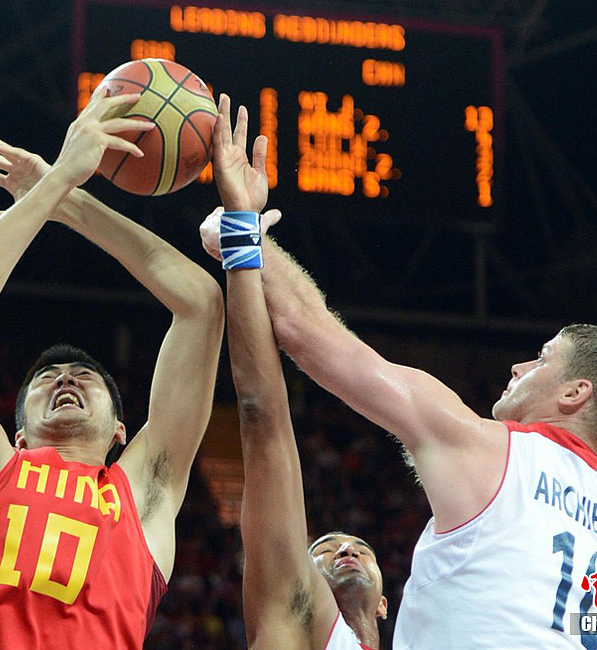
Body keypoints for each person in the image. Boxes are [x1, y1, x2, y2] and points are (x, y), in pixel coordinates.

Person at [200, 100, 597, 649]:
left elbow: (312, 336)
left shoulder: (483, 447)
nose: (519, 367)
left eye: (542, 359)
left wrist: (244, 234)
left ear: (574, 392)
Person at [0, 88, 225, 648]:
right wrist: (56, 181)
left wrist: (66, 202)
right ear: (17, 434)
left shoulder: (145, 492)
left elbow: (201, 304)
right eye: (45, 379)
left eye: (86, 378)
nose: (64, 377)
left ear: (121, 431)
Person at [213, 94, 386, 649]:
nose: (345, 549)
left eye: (358, 548)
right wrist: (241, 229)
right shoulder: (294, 610)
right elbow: (261, 415)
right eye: (324, 550)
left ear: (387, 602)